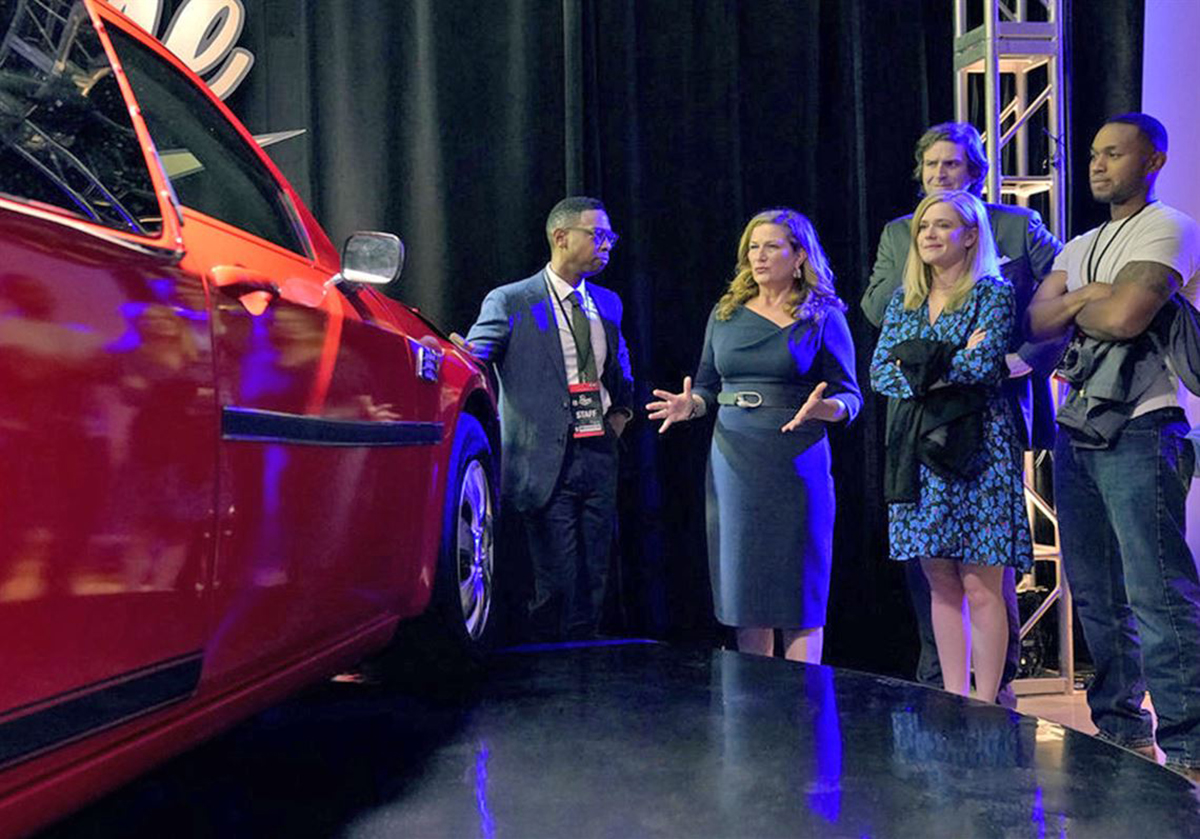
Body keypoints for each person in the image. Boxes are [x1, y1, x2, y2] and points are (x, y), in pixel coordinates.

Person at [861, 122, 1062, 704]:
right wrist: (956, 355)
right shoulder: (904, 279)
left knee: (984, 578)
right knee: (938, 578)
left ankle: (990, 696)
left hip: (980, 443)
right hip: (918, 446)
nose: (927, 229)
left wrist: (1008, 359)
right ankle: (949, 694)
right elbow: (881, 367)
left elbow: (992, 358)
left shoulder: (1005, 259)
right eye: (931, 168)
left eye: (951, 167)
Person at [1027, 113, 1200, 783]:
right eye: (1093, 153)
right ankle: (1121, 728)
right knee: (1096, 591)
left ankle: (1187, 739)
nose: (1098, 165)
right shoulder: (1078, 242)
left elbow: (1129, 317)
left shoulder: (1170, 227)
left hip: (1142, 427)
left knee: (1158, 589)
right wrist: (1090, 296)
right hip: (1079, 431)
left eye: (1113, 153)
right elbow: (1038, 319)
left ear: (1151, 160)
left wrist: (1083, 301)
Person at [646, 208, 861, 663]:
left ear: (799, 255)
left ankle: (804, 700)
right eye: (753, 247)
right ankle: (756, 705)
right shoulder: (724, 314)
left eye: (771, 246)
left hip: (797, 456)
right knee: (745, 585)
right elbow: (705, 384)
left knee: (799, 585)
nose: (759, 256)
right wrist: (693, 405)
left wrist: (830, 409)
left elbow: (851, 394)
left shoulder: (824, 316)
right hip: (734, 457)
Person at [464, 196, 634, 642]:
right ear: (561, 238)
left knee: (594, 577)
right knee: (557, 581)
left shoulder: (609, 303)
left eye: (609, 237)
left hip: (598, 452)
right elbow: (474, 358)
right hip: (543, 459)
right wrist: (455, 355)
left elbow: (620, 369)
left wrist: (619, 417)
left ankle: (587, 677)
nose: (607, 245)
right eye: (597, 235)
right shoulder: (512, 300)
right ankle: (553, 678)